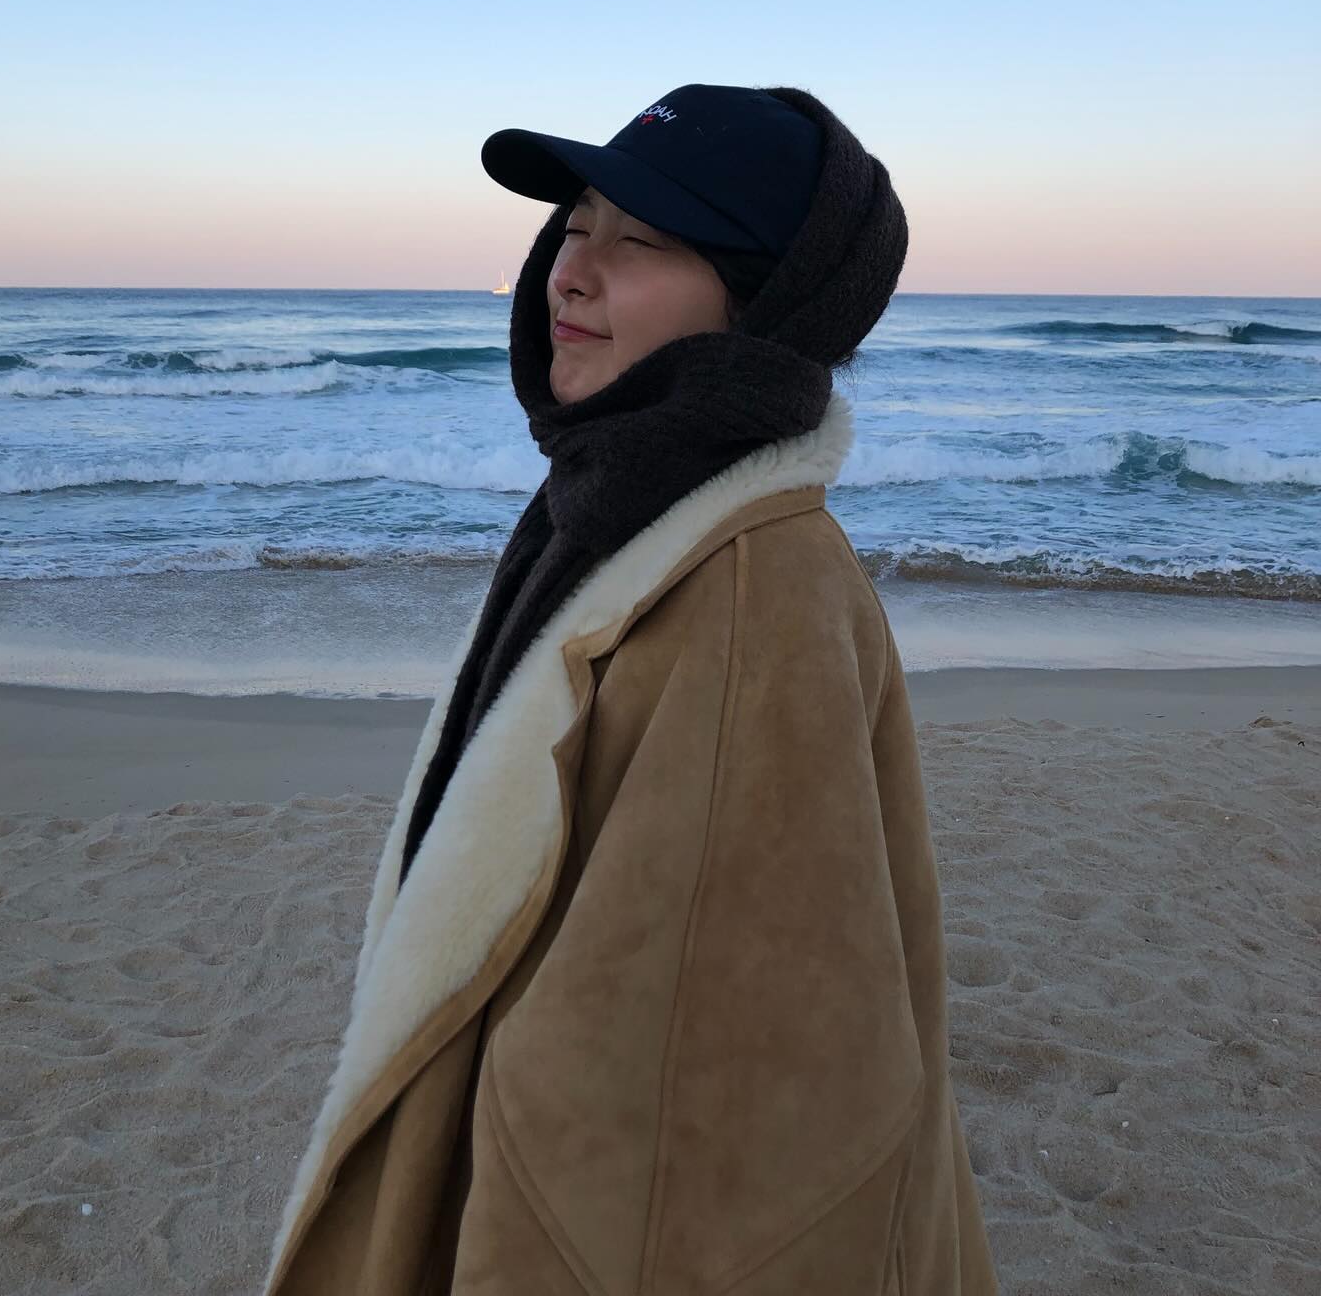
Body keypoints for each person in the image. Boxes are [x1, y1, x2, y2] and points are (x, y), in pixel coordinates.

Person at [261, 82, 999, 1295]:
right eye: (575, 225)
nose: (571, 272)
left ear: (762, 302)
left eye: (641, 241)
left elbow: (667, 1138)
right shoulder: (620, 508)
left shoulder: (752, 592)